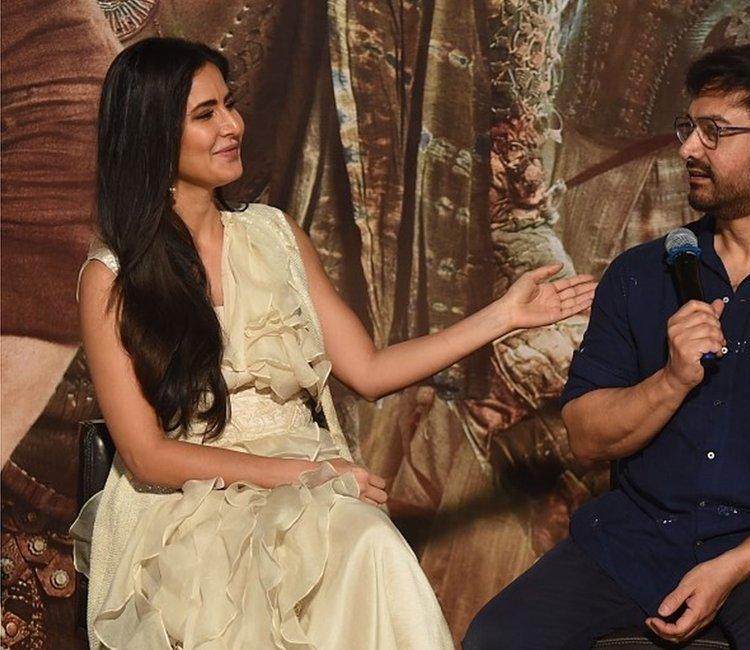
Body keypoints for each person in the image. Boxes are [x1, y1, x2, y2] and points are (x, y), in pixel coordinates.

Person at [70, 37, 595, 649]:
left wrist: (502, 316)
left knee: (369, 545)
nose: (233, 124)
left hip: (315, 483)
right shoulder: (111, 276)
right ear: (153, 132)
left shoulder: (274, 234)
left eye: (230, 105)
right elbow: (146, 455)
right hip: (189, 507)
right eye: (205, 114)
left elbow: (369, 370)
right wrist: (302, 473)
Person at [464, 45, 750, 650]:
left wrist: (732, 567)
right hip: (637, 537)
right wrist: (671, 379)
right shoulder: (638, 276)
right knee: (496, 639)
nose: (687, 148)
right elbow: (586, 436)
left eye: (714, 131)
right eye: (689, 127)